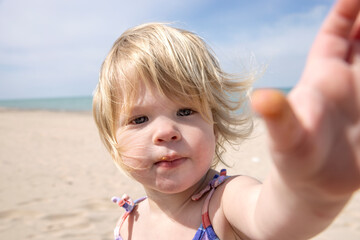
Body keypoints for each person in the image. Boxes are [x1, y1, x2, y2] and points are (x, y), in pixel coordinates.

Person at [92, 0, 360, 239]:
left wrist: (307, 191)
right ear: (112, 141)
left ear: (215, 127)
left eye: (185, 111)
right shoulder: (128, 221)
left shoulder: (225, 202)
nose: (166, 131)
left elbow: (273, 221)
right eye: (139, 119)